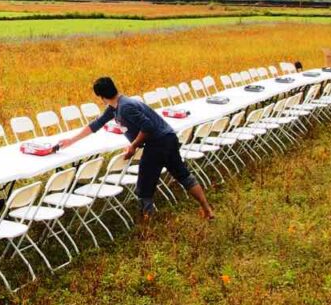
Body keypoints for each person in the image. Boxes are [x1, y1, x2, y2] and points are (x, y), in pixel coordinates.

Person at [57, 76, 214, 220]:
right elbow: (96, 124)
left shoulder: (125, 107)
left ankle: (148, 222)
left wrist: (133, 146)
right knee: (183, 175)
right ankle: (207, 209)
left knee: (144, 186)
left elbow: (148, 126)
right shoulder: (116, 106)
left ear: (101, 97)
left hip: (157, 144)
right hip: (169, 138)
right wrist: (71, 140)